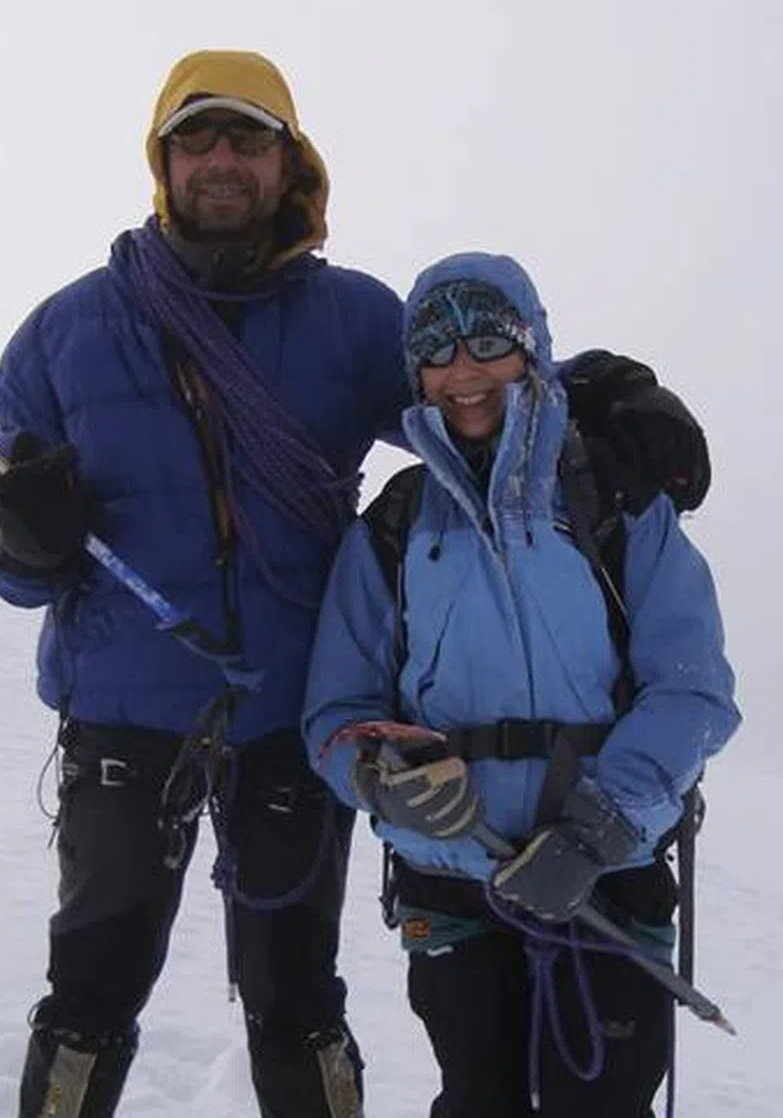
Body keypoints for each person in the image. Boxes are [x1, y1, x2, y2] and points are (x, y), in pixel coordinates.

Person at [0, 49, 713, 1118]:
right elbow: (1, 538)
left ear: (289, 160)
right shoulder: (65, 334)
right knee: (91, 987)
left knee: (294, 994)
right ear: (162, 159)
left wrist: (612, 390)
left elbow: (477, 390)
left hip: (290, 717)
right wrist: (22, 536)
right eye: (199, 137)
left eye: (248, 137)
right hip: (122, 712)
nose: (222, 159)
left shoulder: (353, 321)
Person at [302, 252, 740, 1118]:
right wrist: (380, 785)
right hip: (454, 884)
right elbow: (335, 714)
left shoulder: (615, 500)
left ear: (532, 348)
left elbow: (694, 691)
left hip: (612, 874)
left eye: (488, 341)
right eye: (436, 348)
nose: (463, 371)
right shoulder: (390, 528)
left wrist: (600, 828)